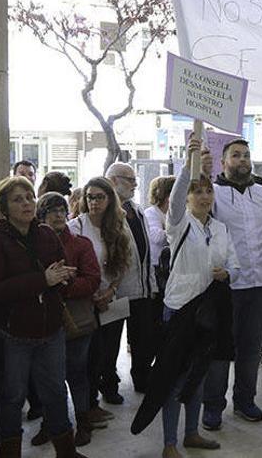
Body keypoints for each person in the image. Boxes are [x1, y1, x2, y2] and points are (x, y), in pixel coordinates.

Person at [0, 176, 85, 457]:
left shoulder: (46, 233)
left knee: (56, 394)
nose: (26, 203)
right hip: (14, 334)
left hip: (50, 329)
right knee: (13, 397)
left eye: (28, 196)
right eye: (17, 199)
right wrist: (42, 280)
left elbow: (58, 268)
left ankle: (67, 451)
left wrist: (63, 278)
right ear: (4, 207)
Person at [144, 138, 237, 458]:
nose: (204, 195)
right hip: (181, 309)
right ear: (184, 197)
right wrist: (189, 164)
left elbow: (235, 263)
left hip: (208, 312)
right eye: (197, 190)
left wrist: (228, 273)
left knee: (197, 377)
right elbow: (179, 190)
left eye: (208, 190)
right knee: (174, 379)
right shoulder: (179, 225)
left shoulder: (221, 229)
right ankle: (170, 443)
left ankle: (192, 433)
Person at [201, 138, 262, 429]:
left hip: (261, 285)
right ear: (224, 163)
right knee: (222, 348)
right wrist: (198, 173)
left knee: (251, 349)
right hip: (227, 286)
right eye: (235, 155)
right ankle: (213, 406)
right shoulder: (213, 194)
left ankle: (245, 400)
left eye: (246, 155)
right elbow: (197, 224)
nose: (243, 160)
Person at [32, 193, 102, 447]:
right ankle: (51, 425)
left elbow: (93, 279)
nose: (59, 214)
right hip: (43, 320)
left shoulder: (81, 244)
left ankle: (83, 423)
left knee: (76, 373)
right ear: (41, 215)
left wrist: (63, 284)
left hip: (76, 320)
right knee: (49, 379)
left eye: (62, 209)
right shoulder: (32, 244)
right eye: (52, 210)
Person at [68, 178, 135, 420]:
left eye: (99, 197)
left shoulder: (117, 225)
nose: (94, 202)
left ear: (109, 199)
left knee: (107, 353)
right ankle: (87, 405)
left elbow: (123, 264)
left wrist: (111, 290)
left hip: (111, 299)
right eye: (89, 197)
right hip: (86, 300)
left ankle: (102, 393)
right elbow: (73, 265)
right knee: (87, 355)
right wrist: (93, 294)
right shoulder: (76, 226)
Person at [105, 162, 156, 396]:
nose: (135, 184)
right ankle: (108, 383)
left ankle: (142, 378)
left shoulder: (136, 210)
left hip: (141, 288)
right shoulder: (104, 212)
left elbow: (145, 250)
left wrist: (151, 283)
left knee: (144, 338)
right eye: (130, 179)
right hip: (115, 290)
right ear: (113, 181)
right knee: (110, 340)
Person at [144, 175, 176, 280]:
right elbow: (157, 238)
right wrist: (175, 230)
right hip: (158, 267)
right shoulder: (151, 213)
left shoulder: (175, 214)